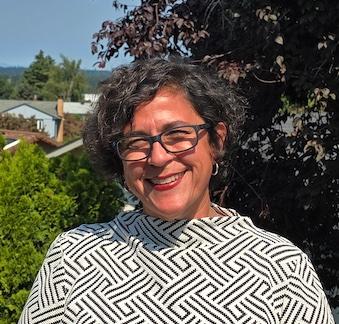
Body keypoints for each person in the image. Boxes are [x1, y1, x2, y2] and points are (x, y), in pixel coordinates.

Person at [19, 58, 334, 324]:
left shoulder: (281, 270)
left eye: (178, 135)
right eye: (136, 143)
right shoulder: (75, 257)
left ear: (217, 141)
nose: (158, 158)